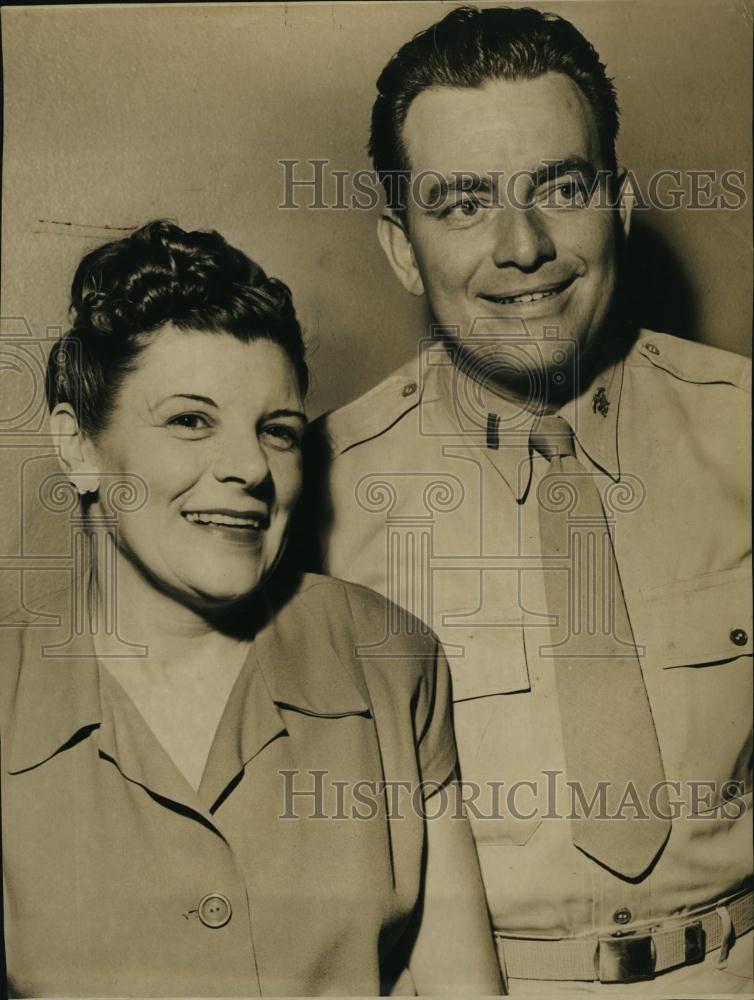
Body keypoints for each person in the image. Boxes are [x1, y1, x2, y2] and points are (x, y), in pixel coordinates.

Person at [307, 6, 753, 995]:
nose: (522, 246)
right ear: (399, 248)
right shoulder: (312, 501)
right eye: (462, 204)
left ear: (620, 204)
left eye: (560, 187)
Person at [0, 220, 502, 997]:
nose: (248, 468)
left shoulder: (389, 656)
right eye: (189, 420)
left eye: (278, 431)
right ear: (79, 448)